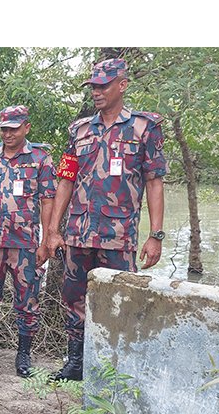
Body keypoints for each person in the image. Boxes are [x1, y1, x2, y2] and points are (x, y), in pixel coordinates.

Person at [44, 58, 167, 381]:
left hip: (119, 236)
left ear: (122, 85)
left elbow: (154, 181)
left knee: (121, 301)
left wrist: (156, 234)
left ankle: (116, 367)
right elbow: (66, 180)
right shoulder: (79, 130)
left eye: (103, 86)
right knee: (73, 297)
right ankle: (76, 362)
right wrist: (53, 230)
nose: (96, 92)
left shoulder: (144, 128)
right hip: (78, 233)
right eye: (93, 87)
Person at [0, 106, 56, 377]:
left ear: (26, 128)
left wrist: (46, 240)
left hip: (25, 244)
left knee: (27, 300)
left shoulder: (40, 158)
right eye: (4, 129)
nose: (8, 134)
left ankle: (24, 354)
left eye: (14, 129)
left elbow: (47, 200)